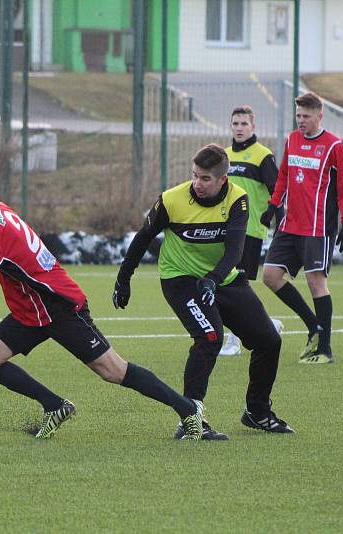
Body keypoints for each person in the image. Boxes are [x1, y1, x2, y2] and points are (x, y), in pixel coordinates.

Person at [0, 182, 204, 441]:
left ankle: (188, 411)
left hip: (60, 306)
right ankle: (55, 406)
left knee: (113, 371)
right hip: (31, 311)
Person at [114, 144, 294, 439]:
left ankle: (257, 412)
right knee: (210, 336)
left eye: (205, 178)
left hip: (222, 278)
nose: (197, 183)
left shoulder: (238, 199)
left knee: (268, 341)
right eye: (195, 176)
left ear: (223, 179)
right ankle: (191, 420)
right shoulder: (172, 200)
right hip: (180, 278)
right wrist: (124, 278)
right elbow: (144, 236)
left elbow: (235, 249)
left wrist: (214, 278)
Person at [260, 92, 343, 364]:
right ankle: (313, 325)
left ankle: (324, 348)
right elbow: (284, 176)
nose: (301, 120)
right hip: (290, 225)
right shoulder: (292, 139)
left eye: (306, 116)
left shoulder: (334, 146)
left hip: (317, 228)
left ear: (319, 116)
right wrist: (272, 205)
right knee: (270, 275)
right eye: (298, 115)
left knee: (316, 283)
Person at [218, 105, 284, 356]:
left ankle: (234, 340)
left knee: (235, 283)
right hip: (223, 230)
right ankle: (268, 324)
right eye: (235, 123)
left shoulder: (262, 156)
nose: (239, 128)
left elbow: (277, 191)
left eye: (244, 124)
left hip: (250, 229)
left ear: (253, 126)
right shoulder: (223, 156)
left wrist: (277, 220)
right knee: (228, 282)